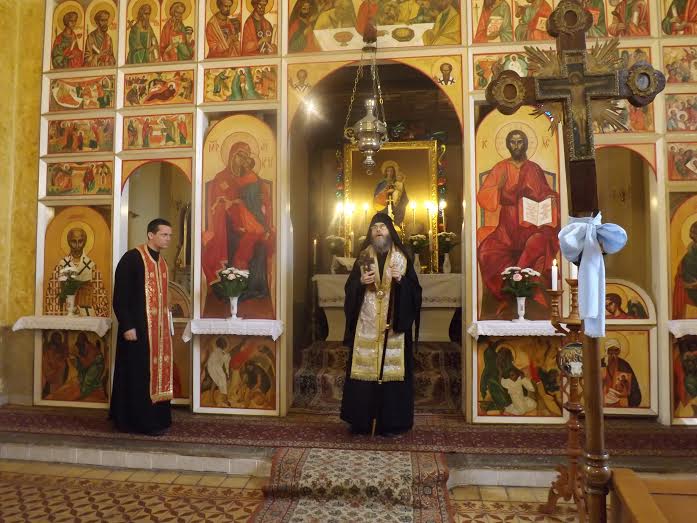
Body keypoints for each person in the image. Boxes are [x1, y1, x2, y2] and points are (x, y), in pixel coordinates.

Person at [340, 213, 422, 435]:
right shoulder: (364, 257)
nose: (378, 230)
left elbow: (416, 292)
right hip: (367, 326)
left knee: (391, 375)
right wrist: (360, 283)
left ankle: (392, 423)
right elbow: (349, 290)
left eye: (383, 227)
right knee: (363, 373)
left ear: (390, 232)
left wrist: (401, 281)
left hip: (392, 327)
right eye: (375, 227)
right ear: (370, 232)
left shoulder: (402, 257)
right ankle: (361, 422)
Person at [476, 130, 559, 315]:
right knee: (486, 251)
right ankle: (504, 296)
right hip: (507, 226)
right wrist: (499, 187)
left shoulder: (534, 168)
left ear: (526, 144)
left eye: (520, 142)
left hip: (530, 223)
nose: (516, 146)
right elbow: (484, 198)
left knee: (539, 241)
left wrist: (550, 198)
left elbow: (545, 192)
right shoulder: (500, 168)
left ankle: (525, 291)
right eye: (512, 142)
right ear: (507, 145)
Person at [110, 219, 174, 435]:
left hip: (158, 334)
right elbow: (120, 296)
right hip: (136, 330)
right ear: (150, 235)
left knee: (156, 374)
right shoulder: (132, 258)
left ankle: (158, 419)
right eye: (164, 234)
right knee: (137, 375)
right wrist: (127, 325)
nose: (168, 239)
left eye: (169, 235)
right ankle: (137, 422)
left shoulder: (162, 263)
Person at [202, 141, 274, 317]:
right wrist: (228, 206)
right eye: (240, 155)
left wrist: (248, 208)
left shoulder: (253, 178)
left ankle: (253, 288)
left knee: (258, 245)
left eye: (246, 156)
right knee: (237, 244)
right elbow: (216, 203)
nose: (242, 160)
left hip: (250, 222)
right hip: (227, 227)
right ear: (232, 156)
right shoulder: (222, 178)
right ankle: (230, 289)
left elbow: (263, 201)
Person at [601, 339, 642, 408]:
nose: (613, 354)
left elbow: (633, 386)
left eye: (616, 350)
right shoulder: (601, 363)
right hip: (603, 401)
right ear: (606, 351)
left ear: (619, 351)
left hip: (621, 401)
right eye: (611, 350)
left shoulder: (624, 365)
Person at [673, 221, 697, 318]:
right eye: (693, 233)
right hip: (690, 291)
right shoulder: (687, 256)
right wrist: (690, 284)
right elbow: (681, 276)